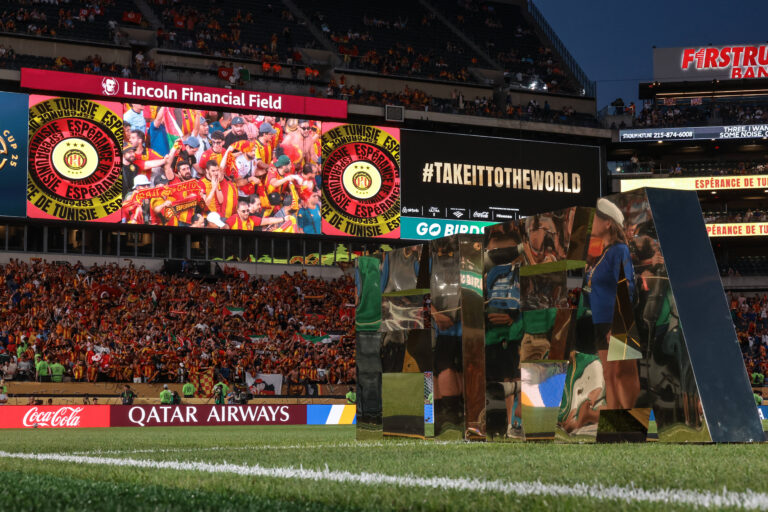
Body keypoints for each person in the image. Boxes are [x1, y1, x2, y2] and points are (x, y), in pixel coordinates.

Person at [583, 198, 637, 410]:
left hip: (617, 320)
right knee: (608, 375)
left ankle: (629, 415)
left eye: (596, 219)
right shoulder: (601, 254)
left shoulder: (619, 251)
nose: (592, 223)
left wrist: (618, 323)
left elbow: (626, 286)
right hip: (600, 321)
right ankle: (615, 419)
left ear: (608, 223)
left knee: (622, 373)